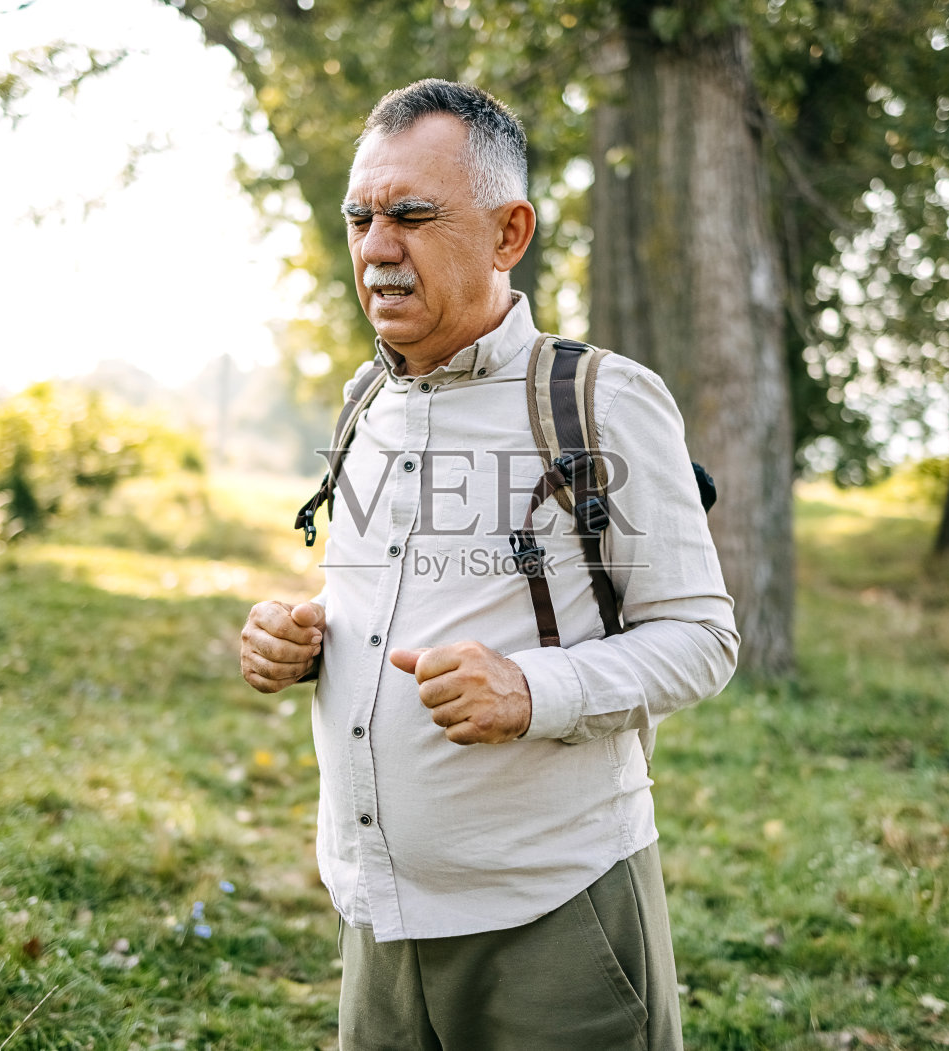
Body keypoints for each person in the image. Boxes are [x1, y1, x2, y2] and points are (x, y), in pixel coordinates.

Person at [240, 79, 738, 1051]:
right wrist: (297, 636)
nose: (377, 247)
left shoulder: (601, 400)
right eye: (361, 217)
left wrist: (529, 688)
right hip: (376, 912)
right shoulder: (361, 404)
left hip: (554, 913)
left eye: (414, 216)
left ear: (509, 234)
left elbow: (703, 637)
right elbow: (388, 602)